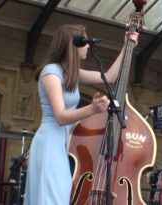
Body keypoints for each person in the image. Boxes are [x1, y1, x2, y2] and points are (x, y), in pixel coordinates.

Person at [24, 24, 138, 205]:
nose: (87, 46)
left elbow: (109, 77)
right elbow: (60, 117)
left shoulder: (71, 73)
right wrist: (92, 108)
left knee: (60, 196)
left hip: (63, 143)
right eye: (83, 42)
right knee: (51, 198)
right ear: (72, 45)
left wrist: (126, 46)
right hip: (49, 143)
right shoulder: (50, 73)